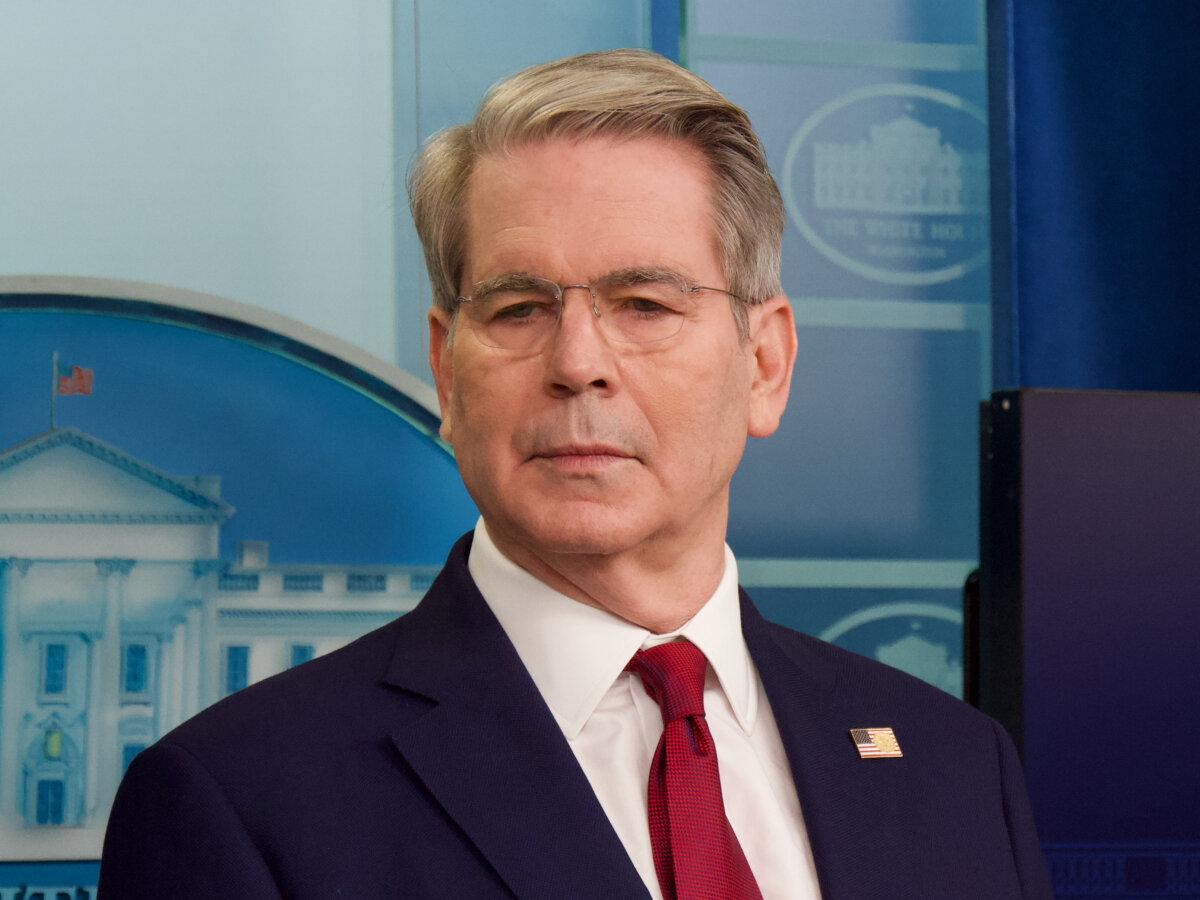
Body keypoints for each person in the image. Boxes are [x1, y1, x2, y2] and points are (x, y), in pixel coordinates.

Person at [99, 49, 1052, 899]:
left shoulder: (956, 767)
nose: (576, 361)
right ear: (445, 367)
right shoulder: (239, 798)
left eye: (644, 303)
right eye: (517, 309)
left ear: (764, 364)